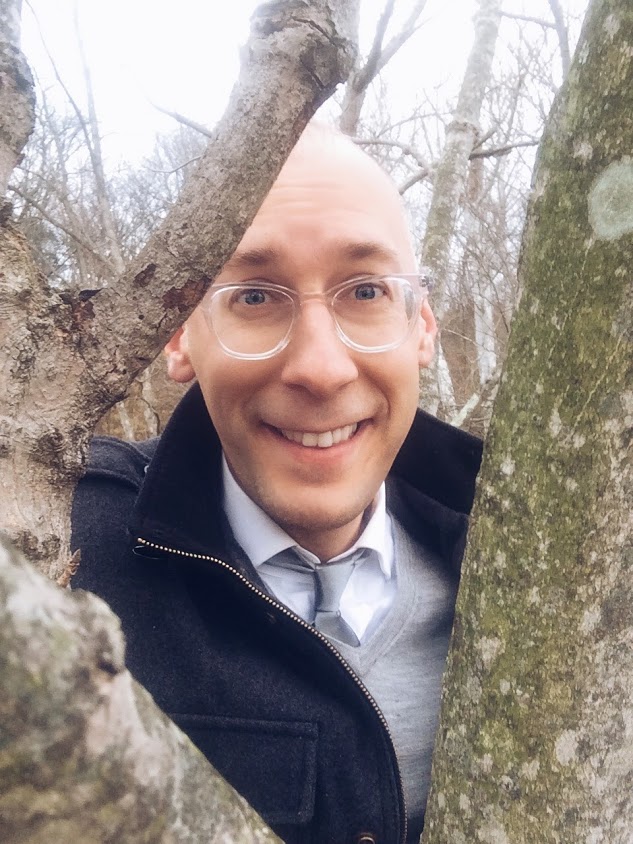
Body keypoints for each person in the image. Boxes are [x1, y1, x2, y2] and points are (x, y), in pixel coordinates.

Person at [72, 124, 482, 844]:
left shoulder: (529, 553)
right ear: (179, 335)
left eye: (365, 290)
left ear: (421, 327)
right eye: (255, 297)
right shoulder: (62, 551)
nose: (320, 369)